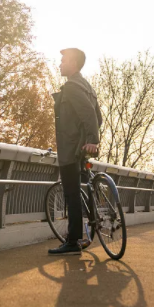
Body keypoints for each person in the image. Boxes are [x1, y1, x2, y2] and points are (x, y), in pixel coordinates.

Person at [49, 48, 102, 255]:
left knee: (71, 194)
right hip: (81, 147)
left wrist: (91, 139)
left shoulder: (71, 87)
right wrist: (89, 141)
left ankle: (73, 242)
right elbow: (98, 118)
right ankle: (91, 226)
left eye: (63, 61)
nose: (60, 64)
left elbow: (88, 113)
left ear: (72, 63)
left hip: (71, 148)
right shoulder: (87, 86)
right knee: (82, 190)